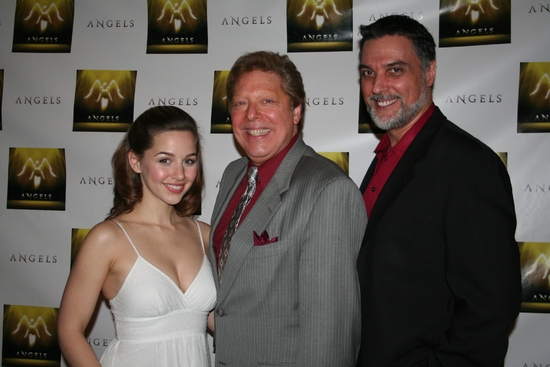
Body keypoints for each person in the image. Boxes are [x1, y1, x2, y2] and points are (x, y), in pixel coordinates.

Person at [356, 15, 521, 367]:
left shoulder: (469, 165)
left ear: (429, 73)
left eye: (395, 70)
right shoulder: (384, 158)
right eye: (368, 72)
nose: (378, 86)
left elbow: (490, 308)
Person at [210, 51, 367, 366]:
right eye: (240, 103)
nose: (252, 115)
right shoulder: (232, 174)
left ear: (296, 110)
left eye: (267, 101)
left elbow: (330, 334)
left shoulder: (328, 190)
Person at [58, 106, 216, 367]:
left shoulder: (205, 234)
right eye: (165, 160)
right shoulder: (107, 238)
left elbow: (207, 318)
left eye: (188, 160)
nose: (179, 174)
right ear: (135, 161)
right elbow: (69, 331)